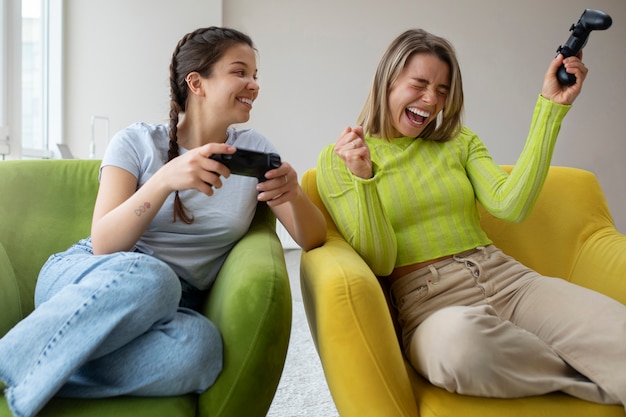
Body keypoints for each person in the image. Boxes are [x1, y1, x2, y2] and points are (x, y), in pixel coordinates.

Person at [0, 26, 326, 417]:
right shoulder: (136, 142)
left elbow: (311, 239)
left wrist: (294, 193)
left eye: (256, 76)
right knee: (154, 278)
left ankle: (41, 370)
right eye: (240, 72)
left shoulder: (254, 151)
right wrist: (164, 180)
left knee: (201, 352)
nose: (254, 85)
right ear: (196, 82)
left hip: (173, 308)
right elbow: (104, 243)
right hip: (87, 278)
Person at [317, 28, 625, 407]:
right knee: (460, 350)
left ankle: (593, 364)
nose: (431, 100)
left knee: (617, 331)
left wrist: (550, 107)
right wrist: (364, 178)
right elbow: (380, 261)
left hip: (509, 281)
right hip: (431, 306)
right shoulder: (341, 158)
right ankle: (592, 373)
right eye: (419, 84)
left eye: (443, 90)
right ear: (388, 80)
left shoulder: (460, 142)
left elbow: (511, 204)